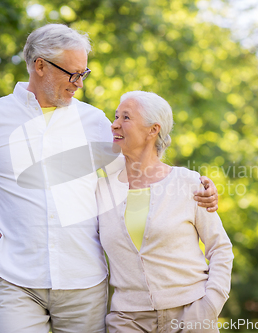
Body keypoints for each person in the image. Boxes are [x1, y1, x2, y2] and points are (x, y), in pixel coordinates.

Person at [0, 24, 218, 333]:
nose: (79, 84)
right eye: (73, 74)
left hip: (84, 281)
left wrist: (192, 186)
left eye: (84, 74)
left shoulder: (94, 121)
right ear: (40, 65)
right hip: (16, 279)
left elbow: (138, 170)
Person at [97, 91, 233, 333]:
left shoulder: (188, 183)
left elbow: (220, 247)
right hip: (127, 320)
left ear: (153, 130)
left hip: (190, 315)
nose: (114, 124)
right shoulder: (102, 189)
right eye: (116, 116)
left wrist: (209, 306)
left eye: (126, 118)